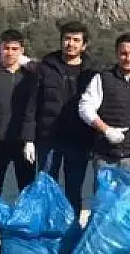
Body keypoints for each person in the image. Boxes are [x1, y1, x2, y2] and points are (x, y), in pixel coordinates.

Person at [23, 21, 99, 212]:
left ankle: (71, 230)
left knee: (74, 189)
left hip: (79, 140)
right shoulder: (45, 68)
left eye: (76, 40)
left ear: (84, 45)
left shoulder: (93, 73)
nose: (70, 44)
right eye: (67, 39)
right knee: (46, 187)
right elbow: (32, 105)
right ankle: (46, 229)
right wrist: (29, 139)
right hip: (49, 138)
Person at [78, 33, 130, 176]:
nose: (128, 58)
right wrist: (106, 129)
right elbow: (85, 107)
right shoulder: (102, 79)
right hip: (106, 157)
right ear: (117, 54)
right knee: (104, 198)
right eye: (123, 54)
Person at [0, 29, 37, 196]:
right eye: (6, 48)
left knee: (27, 189)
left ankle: (26, 222)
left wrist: (30, 139)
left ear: (22, 51)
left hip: (23, 143)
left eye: (14, 49)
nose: (10, 53)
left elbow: (33, 111)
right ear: (0, 49)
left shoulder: (31, 77)